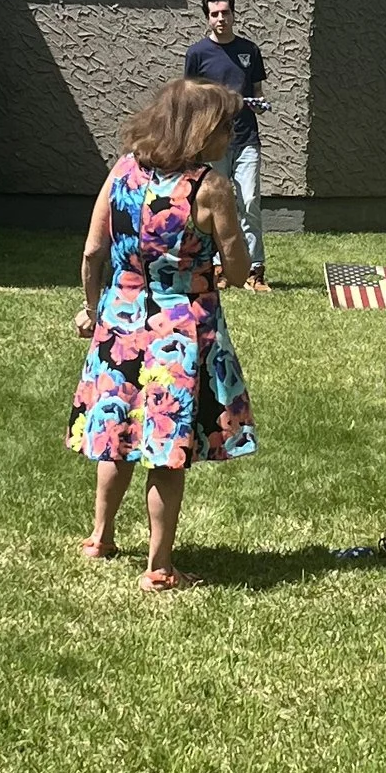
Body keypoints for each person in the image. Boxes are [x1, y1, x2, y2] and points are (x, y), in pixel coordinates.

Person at [70, 77, 257, 589]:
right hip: (181, 328)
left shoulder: (123, 170)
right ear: (200, 131)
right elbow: (238, 267)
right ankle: (159, 567)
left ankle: (100, 538)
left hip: (121, 320)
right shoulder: (209, 186)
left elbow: (92, 252)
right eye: (223, 127)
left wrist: (94, 310)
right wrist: (227, 266)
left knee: (116, 433)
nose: (228, 137)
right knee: (165, 446)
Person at [184, 0, 269, 289]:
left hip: (246, 140)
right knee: (214, 205)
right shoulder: (197, 54)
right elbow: (190, 98)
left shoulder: (250, 50)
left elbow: (257, 93)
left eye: (225, 13)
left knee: (249, 201)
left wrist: (259, 103)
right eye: (214, 14)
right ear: (207, 18)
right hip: (211, 143)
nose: (221, 18)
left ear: (234, 14)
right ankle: (217, 269)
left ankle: (254, 271)